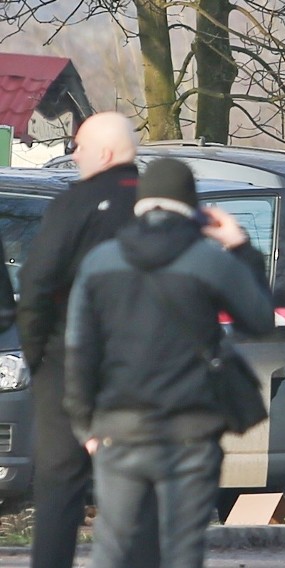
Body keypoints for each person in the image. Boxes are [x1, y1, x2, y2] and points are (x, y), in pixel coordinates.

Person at [63, 158, 275, 567]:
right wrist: (241, 247)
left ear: (141, 202)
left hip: (119, 427)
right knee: (181, 548)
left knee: (112, 546)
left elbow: (79, 351)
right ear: (193, 206)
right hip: (190, 430)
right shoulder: (208, 260)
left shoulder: (100, 262)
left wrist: (85, 425)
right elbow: (259, 319)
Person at [16, 112, 159, 568]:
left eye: (79, 146)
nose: (73, 155)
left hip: (67, 362)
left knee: (59, 484)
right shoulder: (162, 207)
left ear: (107, 152)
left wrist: (36, 355)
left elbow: (38, 283)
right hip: (142, 368)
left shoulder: (73, 205)